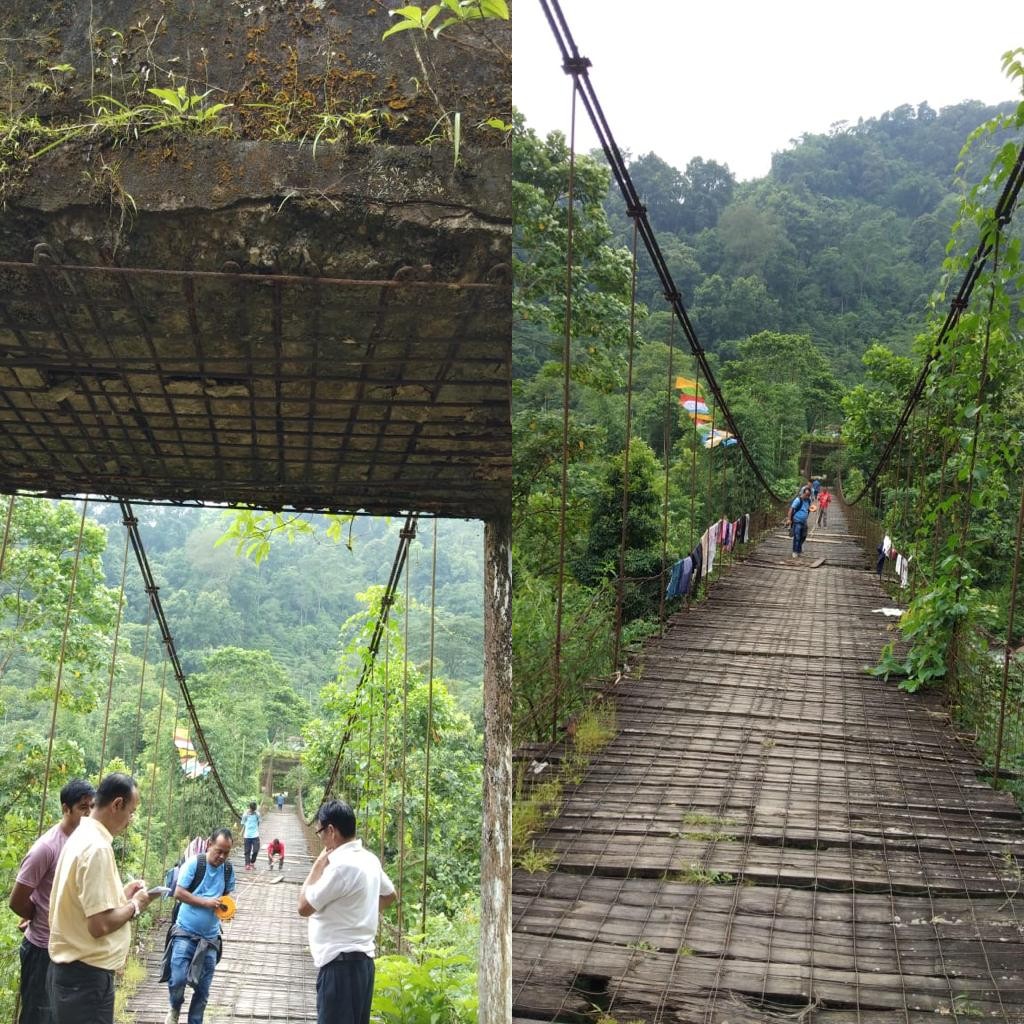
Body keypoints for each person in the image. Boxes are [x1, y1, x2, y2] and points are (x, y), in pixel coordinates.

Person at [47, 773, 155, 1024]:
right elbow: (99, 925)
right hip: (85, 980)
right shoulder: (97, 848)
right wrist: (136, 905)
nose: (130, 820)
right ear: (117, 804)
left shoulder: (80, 836)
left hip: (71, 976)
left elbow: (82, 902)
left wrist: (121, 895)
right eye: (131, 812)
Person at [298, 800, 397, 1024]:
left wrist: (317, 866)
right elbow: (391, 895)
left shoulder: (340, 867)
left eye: (321, 831)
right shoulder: (370, 860)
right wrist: (363, 913)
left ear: (331, 831)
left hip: (339, 969)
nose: (321, 838)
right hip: (364, 967)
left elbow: (303, 907)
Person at [8, 779, 96, 1024]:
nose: (88, 814)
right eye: (82, 808)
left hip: (71, 948)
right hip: (42, 949)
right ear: (65, 808)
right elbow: (16, 901)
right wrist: (36, 914)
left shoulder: (86, 843)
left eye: (92, 807)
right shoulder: (46, 848)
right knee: (38, 1015)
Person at [163, 828, 235, 1024]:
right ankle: (175, 1006)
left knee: (202, 991)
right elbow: (178, 893)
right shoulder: (195, 864)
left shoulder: (228, 870)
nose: (222, 856)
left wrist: (227, 911)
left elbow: (227, 897)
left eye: (226, 853)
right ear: (209, 844)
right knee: (177, 980)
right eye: (218, 850)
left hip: (210, 938)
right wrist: (206, 902)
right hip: (185, 932)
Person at [787, 485, 812, 559]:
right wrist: (789, 519)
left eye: (809, 495)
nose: (807, 496)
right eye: (806, 495)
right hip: (797, 521)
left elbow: (807, 508)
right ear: (803, 493)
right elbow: (791, 509)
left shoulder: (808, 500)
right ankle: (795, 551)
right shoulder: (798, 500)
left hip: (804, 521)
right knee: (797, 537)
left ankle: (799, 548)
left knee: (803, 536)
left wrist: (811, 509)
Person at [240, 802, 260, 872]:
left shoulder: (257, 814)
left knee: (256, 850)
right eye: (252, 809)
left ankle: (252, 862)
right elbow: (242, 822)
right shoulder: (245, 814)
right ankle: (247, 864)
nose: (253, 811)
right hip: (247, 835)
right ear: (250, 808)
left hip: (255, 835)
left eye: (254, 810)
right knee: (247, 851)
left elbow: (259, 821)